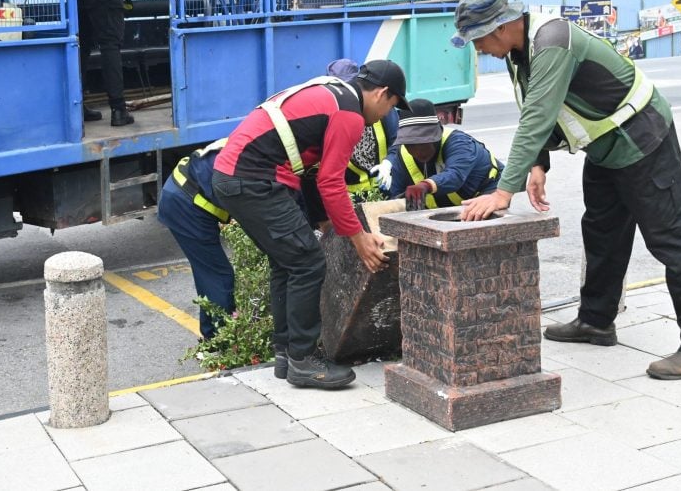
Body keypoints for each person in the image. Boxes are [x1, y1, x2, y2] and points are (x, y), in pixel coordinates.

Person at [452, 0, 681, 381]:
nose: (478, 49)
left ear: (505, 25)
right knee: (601, 233)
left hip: (643, 139)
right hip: (605, 147)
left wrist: (502, 191)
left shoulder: (552, 41)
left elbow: (537, 117)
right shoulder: (517, 51)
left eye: (480, 39)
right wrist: (538, 164)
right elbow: (536, 106)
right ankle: (596, 321)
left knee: (674, 240)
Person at [212, 60, 409, 389]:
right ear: (382, 93)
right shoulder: (350, 113)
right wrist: (358, 237)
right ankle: (303, 361)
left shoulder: (331, 92)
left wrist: (329, 221)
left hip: (236, 175)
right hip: (254, 177)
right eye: (392, 105)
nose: (388, 114)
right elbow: (331, 182)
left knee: (287, 261)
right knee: (307, 262)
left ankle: (287, 356)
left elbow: (316, 175)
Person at [157, 138, 235, 342]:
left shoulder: (252, 142)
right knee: (219, 275)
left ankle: (211, 335)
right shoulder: (257, 164)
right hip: (185, 205)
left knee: (206, 272)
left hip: (181, 192)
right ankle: (221, 339)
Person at [384, 98, 503, 210]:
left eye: (424, 142)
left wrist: (425, 185)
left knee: (479, 217)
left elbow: (454, 176)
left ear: (437, 134)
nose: (419, 151)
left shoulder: (459, 143)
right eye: (411, 145)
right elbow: (396, 195)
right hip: (448, 205)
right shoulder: (401, 156)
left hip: (489, 191)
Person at [324, 58, 399, 200]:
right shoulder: (331, 115)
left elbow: (397, 141)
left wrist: (388, 163)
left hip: (383, 188)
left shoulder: (380, 109)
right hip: (349, 197)